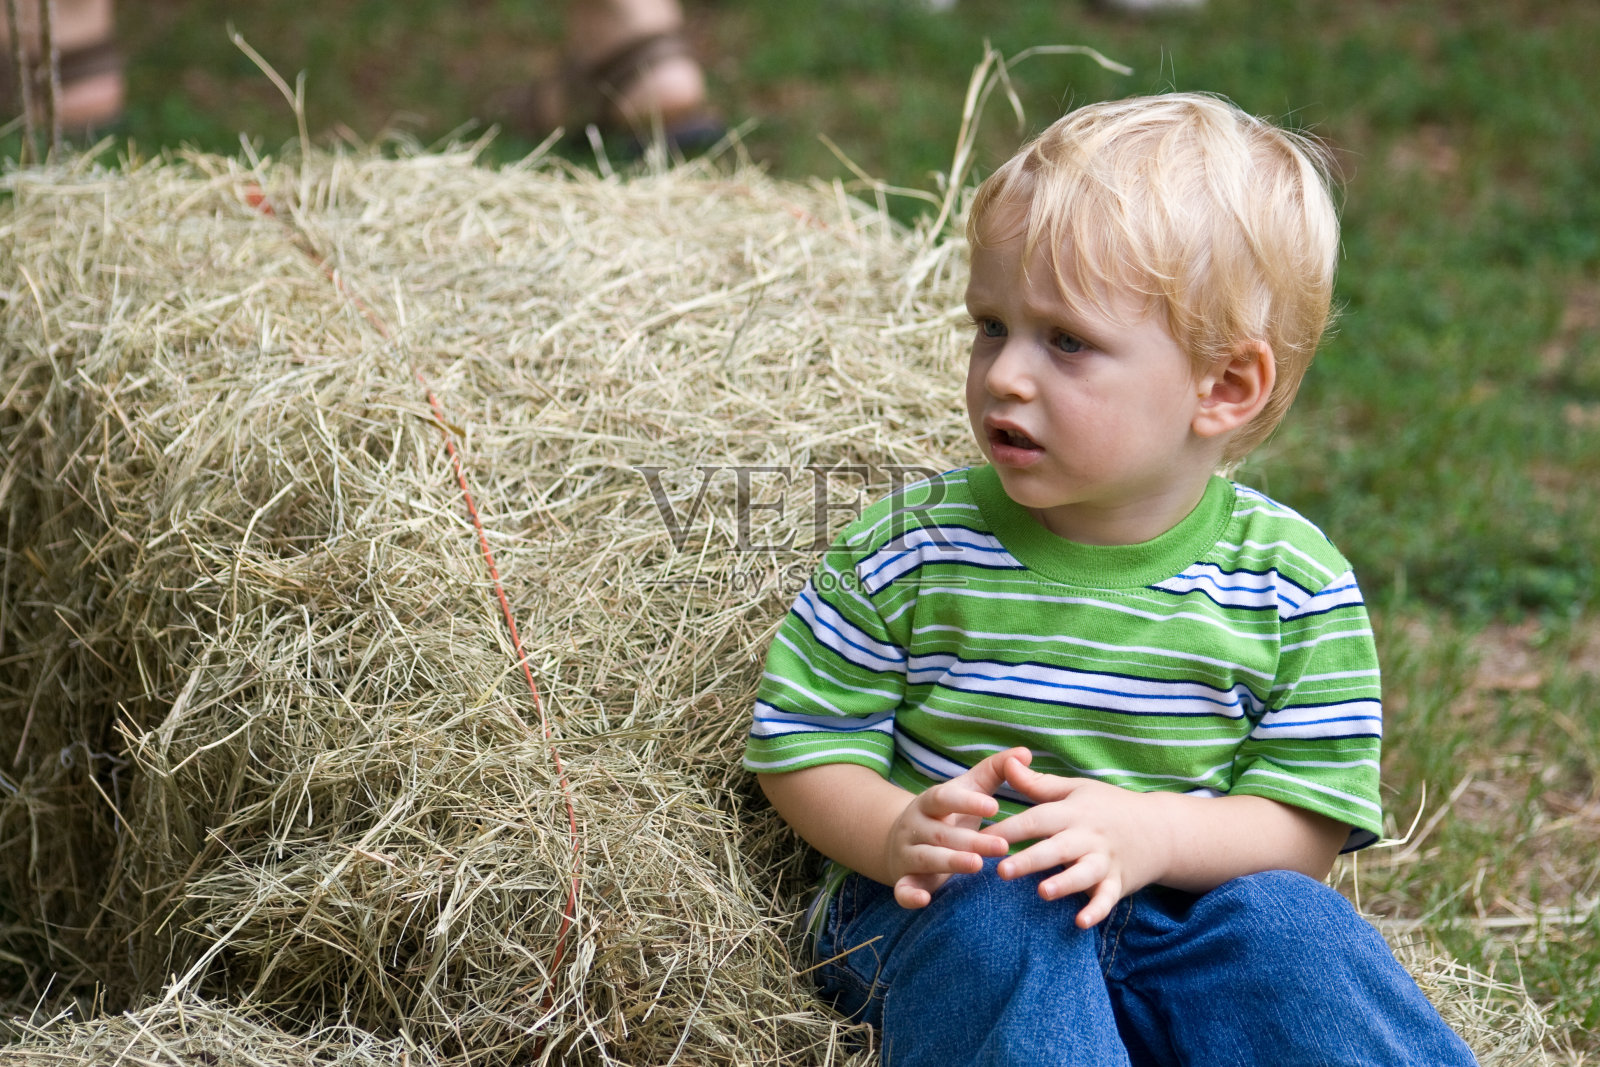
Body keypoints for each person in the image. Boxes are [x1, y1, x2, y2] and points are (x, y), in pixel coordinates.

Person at [743, 93, 1476, 1066]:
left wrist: (1151, 834)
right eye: (990, 326)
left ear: (1222, 386)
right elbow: (802, 744)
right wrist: (893, 831)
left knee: (1293, 930)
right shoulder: (913, 547)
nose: (1005, 373)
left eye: (1066, 341)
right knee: (999, 906)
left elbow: (1299, 827)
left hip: (1178, 920)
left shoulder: (1291, 584)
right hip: (946, 919)